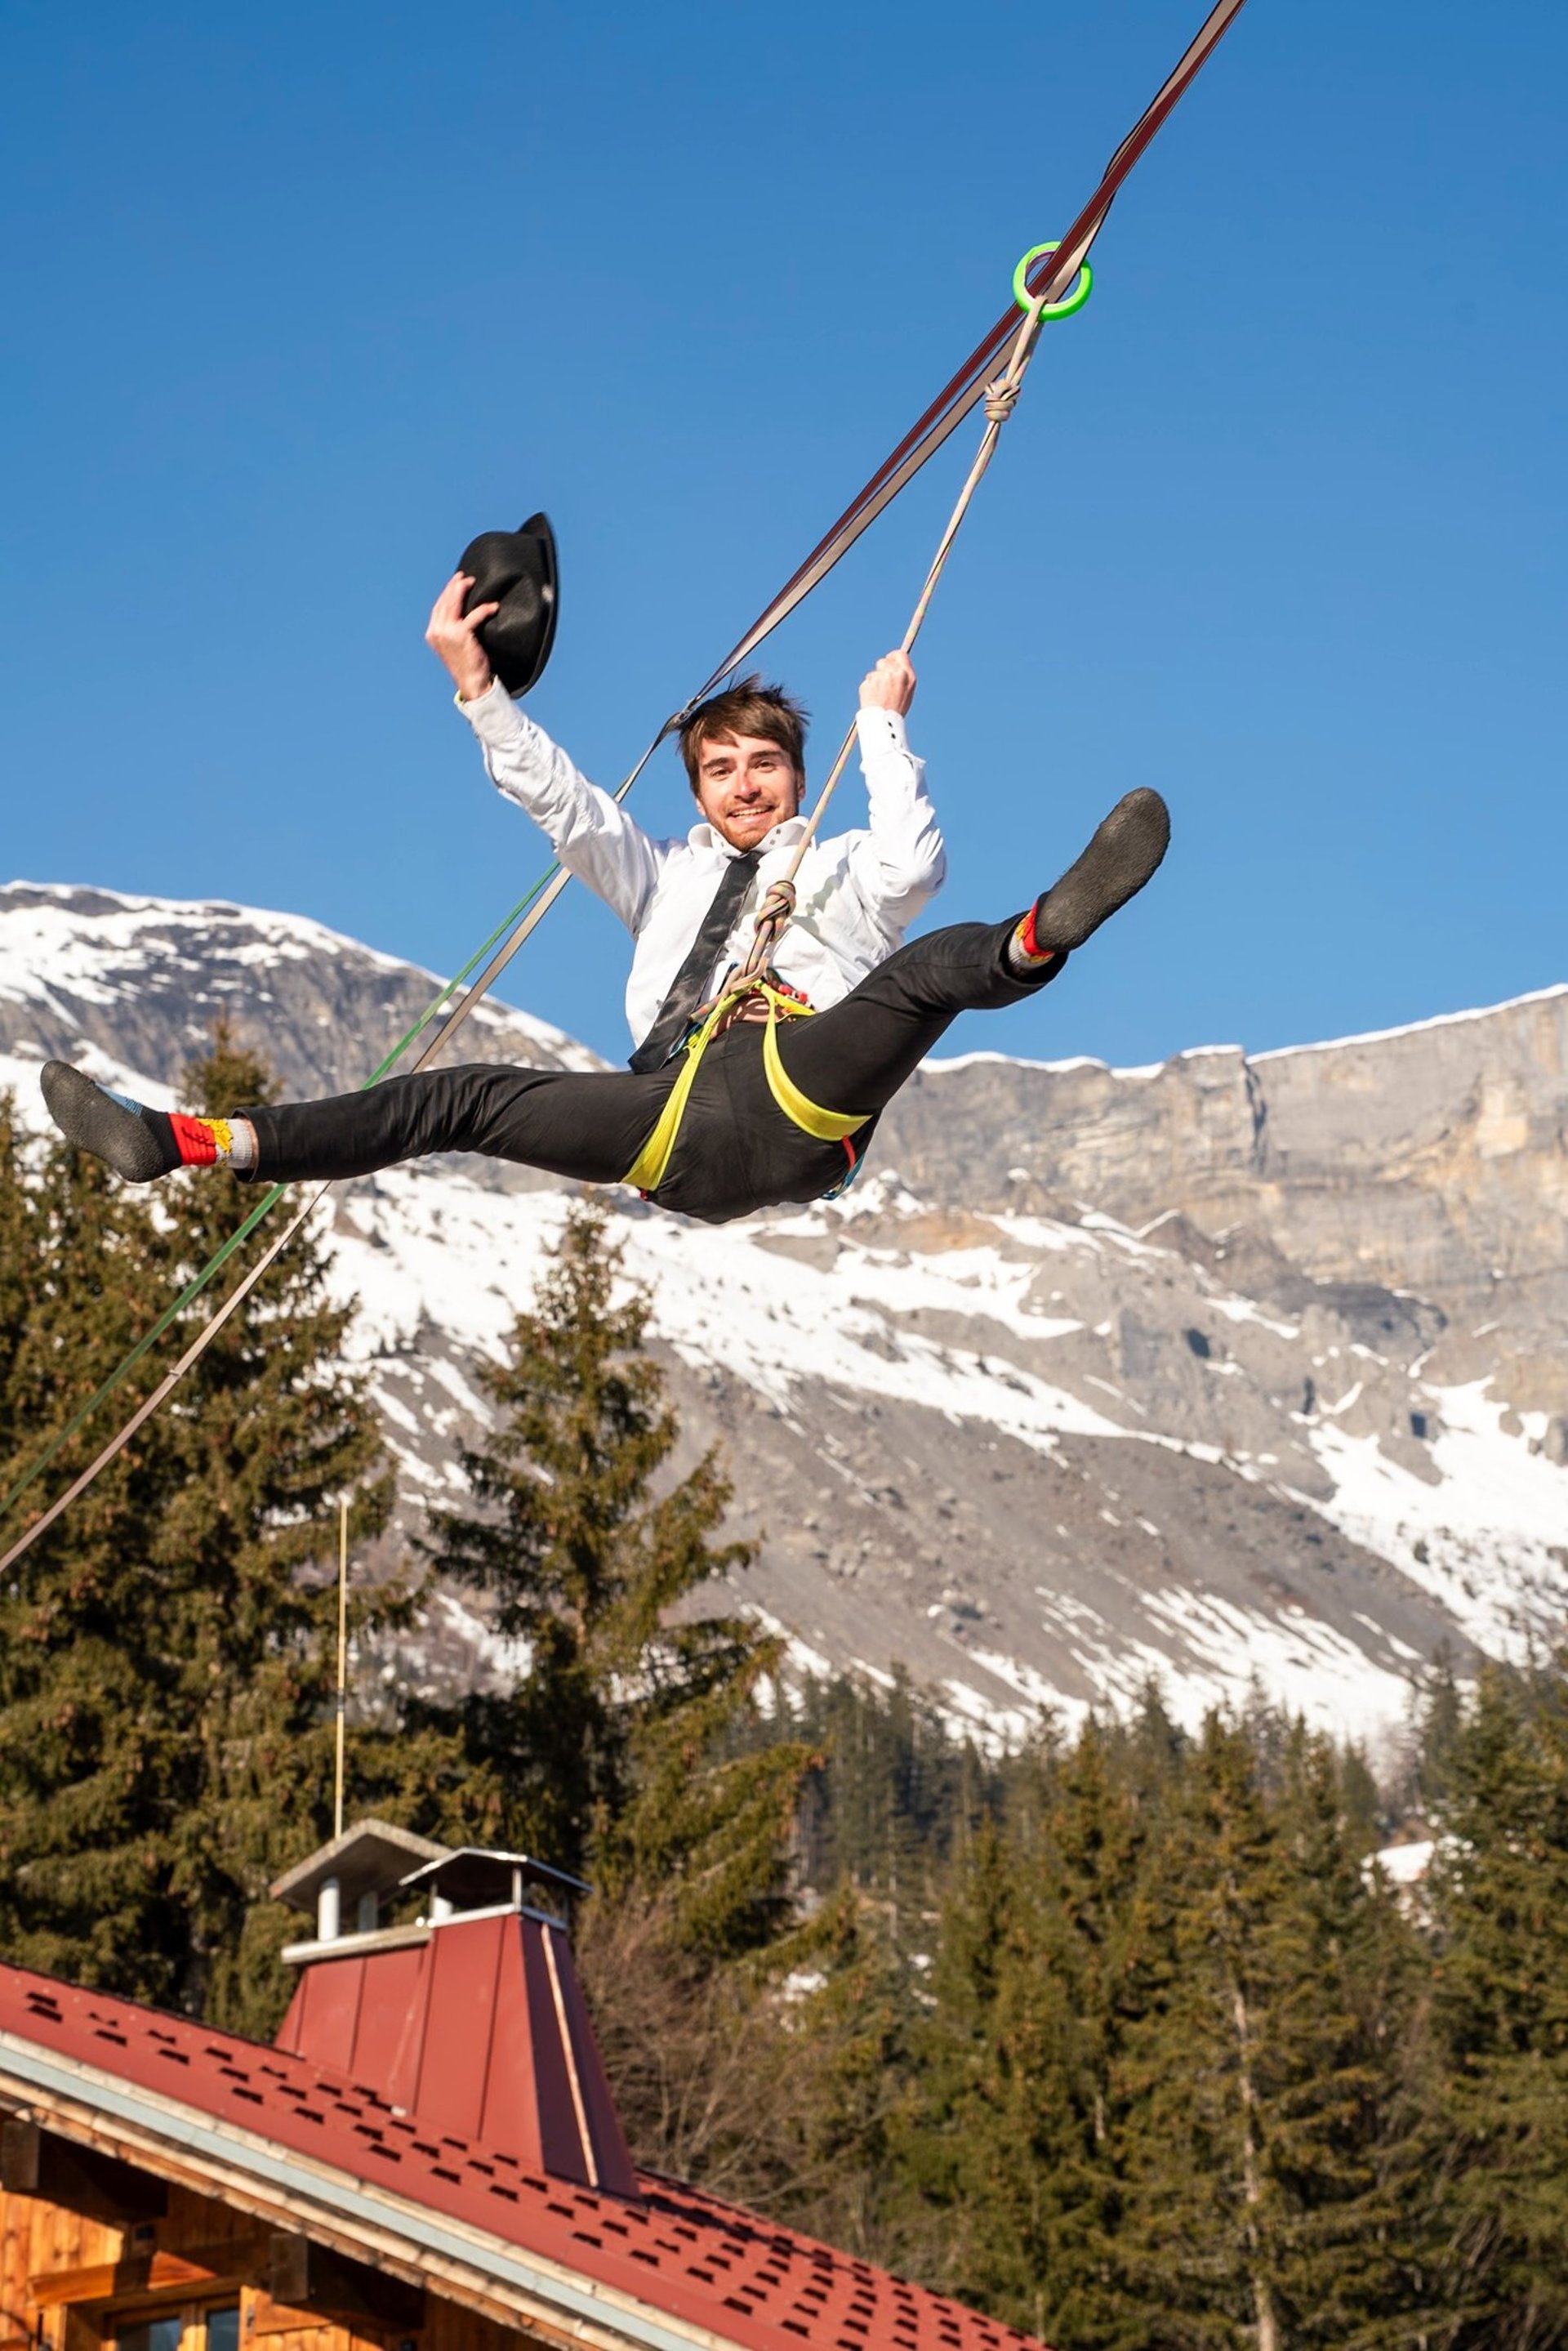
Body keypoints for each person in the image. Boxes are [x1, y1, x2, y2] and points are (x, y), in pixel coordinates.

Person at [40, 572, 1169, 1225]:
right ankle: (182, 1142)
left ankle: (1039, 934)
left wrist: (883, 721)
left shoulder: (840, 865)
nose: (743, 785)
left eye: (762, 765)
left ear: (793, 774)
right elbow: (567, 805)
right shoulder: (663, 874)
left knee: (921, 975)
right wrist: (476, 690)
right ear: (697, 788)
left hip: (800, 1096)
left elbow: (915, 864)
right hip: (668, 1121)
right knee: (459, 1098)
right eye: (720, 769)